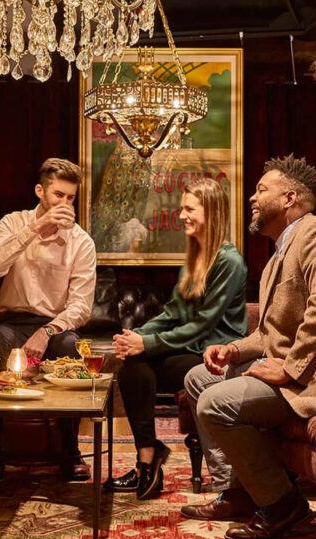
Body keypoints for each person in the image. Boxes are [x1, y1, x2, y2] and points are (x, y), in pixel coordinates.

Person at [181, 154, 316, 539]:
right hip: (289, 372)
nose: (252, 197)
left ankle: (283, 505)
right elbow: (269, 333)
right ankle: (239, 491)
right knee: (199, 378)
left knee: (215, 404)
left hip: (314, 381)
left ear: (290, 198)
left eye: (261, 189)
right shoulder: (277, 254)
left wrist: (290, 368)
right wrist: (232, 350)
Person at [106, 177, 247, 500]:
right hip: (191, 347)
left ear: (210, 211)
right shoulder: (194, 257)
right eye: (181, 208)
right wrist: (135, 337)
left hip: (214, 355)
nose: (182, 215)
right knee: (132, 364)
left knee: (140, 358)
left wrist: (149, 344)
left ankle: (149, 461)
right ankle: (147, 458)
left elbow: (202, 324)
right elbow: (172, 313)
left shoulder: (230, 261)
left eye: (189, 209)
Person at [0, 158, 97, 482]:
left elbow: (81, 306)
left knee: (70, 346)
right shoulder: (14, 223)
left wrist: (48, 330)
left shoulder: (81, 241)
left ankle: (70, 450)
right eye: (58, 195)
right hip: (11, 321)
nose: (65, 203)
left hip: (54, 325)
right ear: (40, 191)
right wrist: (35, 230)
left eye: (71, 198)